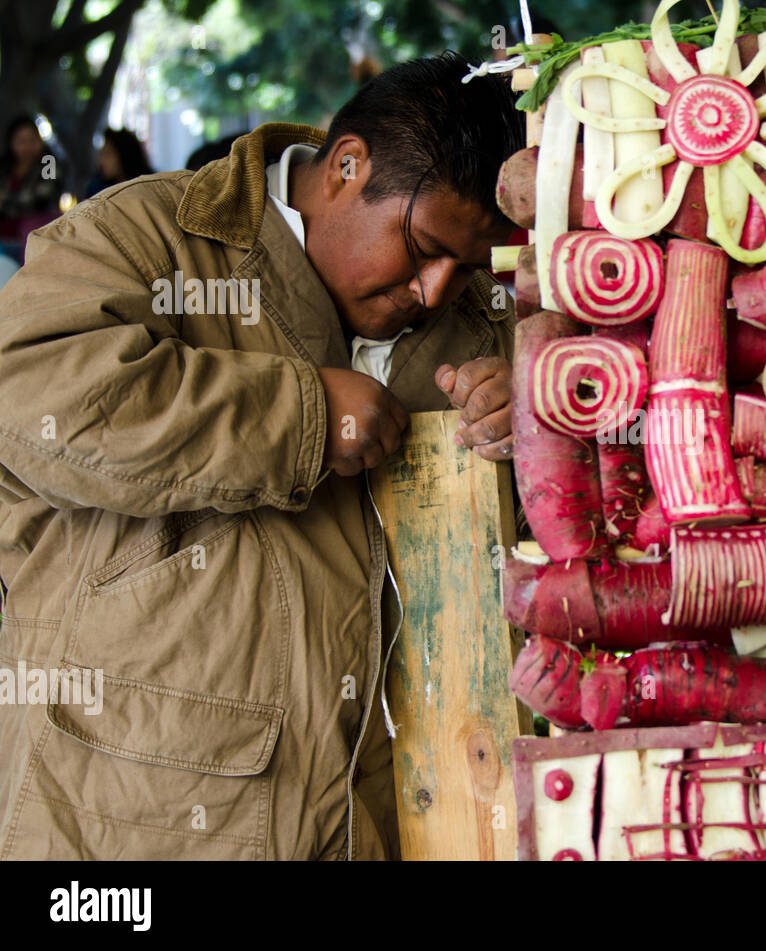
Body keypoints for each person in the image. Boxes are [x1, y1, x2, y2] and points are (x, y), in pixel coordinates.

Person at [0, 52, 523, 860]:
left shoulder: (474, 316)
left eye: (468, 267)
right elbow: (30, 394)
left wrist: (521, 410)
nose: (434, 289)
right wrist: (303, 415)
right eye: (421, 248)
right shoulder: (147, 237)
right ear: (347, 167)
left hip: (378, 824)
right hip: (124, 830)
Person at [0, 116, 63, 253]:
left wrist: (5, 203)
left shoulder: (49, 163)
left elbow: (42, 199)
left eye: (32, 140)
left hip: (35, 240)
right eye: (21, 141)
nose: (27, 147)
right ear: (11, 143)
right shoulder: (5, 166)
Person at [84, 128, 154, 198]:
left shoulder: (150, 185)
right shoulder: (97, 190)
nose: (101, 161)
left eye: (107, 155)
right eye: (101, 154)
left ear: (124, 156)